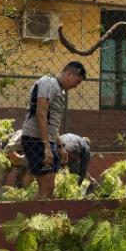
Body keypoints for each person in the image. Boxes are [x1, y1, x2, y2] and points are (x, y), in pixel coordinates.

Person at [20, 61, 86, 199]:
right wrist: (46, 147)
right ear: (69, 74)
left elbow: (51, 123)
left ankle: (39, 218)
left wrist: (60, 146)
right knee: (46, 187)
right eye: (77, 81)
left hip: (46, 141)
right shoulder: (49, 82)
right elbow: (41, 114)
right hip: (36, 139)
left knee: (49, 188)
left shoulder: (58, 89)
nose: (76, 85)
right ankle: (32, 218)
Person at [0, 129, 26, 199]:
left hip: (21, 156)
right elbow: (9, 148)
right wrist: (18, 162)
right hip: (2, 150)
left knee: (22, 182)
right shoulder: (22, 134)